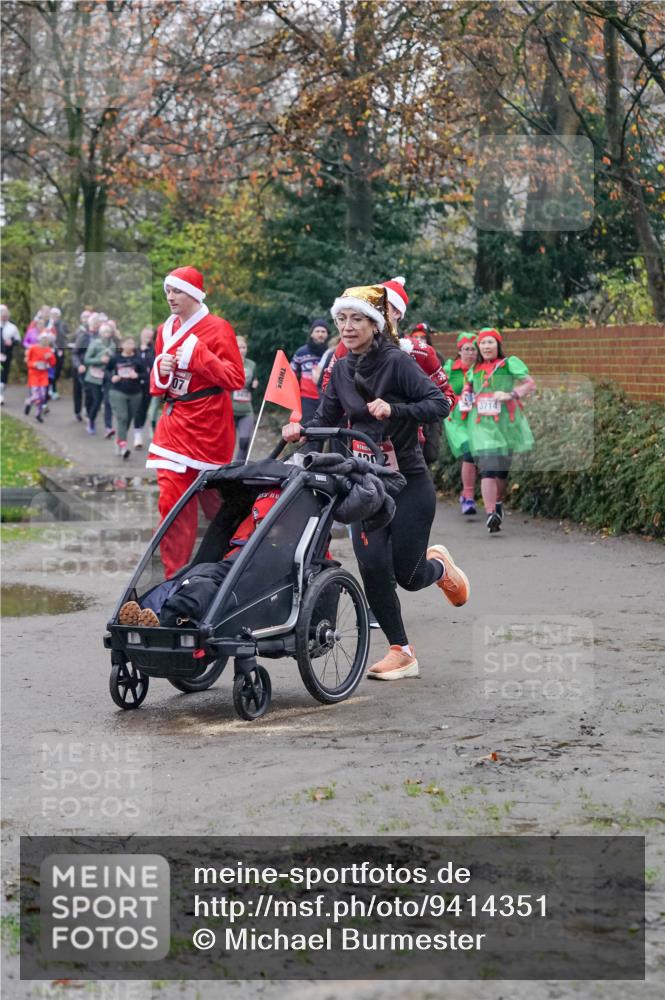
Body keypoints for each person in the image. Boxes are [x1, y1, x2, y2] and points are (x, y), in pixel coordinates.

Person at [282, 283, 470, 682]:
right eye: (342, 319)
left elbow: (439, 404)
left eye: (357, 319)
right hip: (365, 484)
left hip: (407, 481)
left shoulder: (398, 362)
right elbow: (325, 418)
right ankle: (402, 651)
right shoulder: (341, 367)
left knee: (408, 576)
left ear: (375, 324)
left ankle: (439, 568)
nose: (347, 327)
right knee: (372, 567)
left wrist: (395, 409)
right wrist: (301, 432)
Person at [147, 265, 245, 578]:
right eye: (168, 291)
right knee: (172, 504)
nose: (170, 297)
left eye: (176, 291)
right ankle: (173, 577)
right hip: (173, 424)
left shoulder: (218, 328)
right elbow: (158, 387)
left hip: (209, 428)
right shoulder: (165, 330)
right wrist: (161, 370)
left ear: (193, 295)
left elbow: (235, 378)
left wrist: (199, 356)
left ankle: (236, 563)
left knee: (216, 504)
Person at [465, 327, 536, 533]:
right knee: (488, 467)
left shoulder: (508, 364)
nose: (486, 346)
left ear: (498, 345)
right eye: (483, 342)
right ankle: (490, 514)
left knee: (501, 472)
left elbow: (530, 384)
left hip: (506, 423)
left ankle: (497, 504)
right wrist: (467, 397)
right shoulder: (475, 368)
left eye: (490, 342)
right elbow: (468, 388)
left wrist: (510, 394)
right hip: (482, 425)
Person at [443, 332, 480, 515]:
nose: (470, 353)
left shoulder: (482, 369)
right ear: (459, 351)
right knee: (469, 452)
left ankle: (468, 494)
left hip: (478, 417)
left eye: (473, 349)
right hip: (456, 419)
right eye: (466, 349)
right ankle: (469, 496)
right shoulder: (450, 369)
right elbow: (440, 389)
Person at [107, 337, 146, 459]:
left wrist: (137, 375)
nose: (130, 345)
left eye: (132, 343)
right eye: (128, 343)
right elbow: (107, 370)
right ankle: (123, 446)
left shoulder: (138, 359)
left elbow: (146, 374)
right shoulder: (115, 358)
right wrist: (112, 377)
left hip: (135, 393)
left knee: (127, 420)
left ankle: (119, 440)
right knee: (122, 417)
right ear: (122, 345)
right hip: (117, 391)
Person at [290, 319, 330, 423]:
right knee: (307, 429)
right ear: (311, 334)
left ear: (327, 334)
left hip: (328, 399)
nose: (320, 334)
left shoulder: (332, 352)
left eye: (323, 331)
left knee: (329, 429)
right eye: (317, 331)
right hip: (307, 398)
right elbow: (291, 374)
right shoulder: (301, 352)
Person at [83, 321, 114, 434]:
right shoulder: (95, 344)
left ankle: (108, 427)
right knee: (97, 401)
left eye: (109, 332)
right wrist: (99, 360)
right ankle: (91, 421)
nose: (107, 334)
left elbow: (114, 361)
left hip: (107, 376)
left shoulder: (113, 345)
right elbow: (87, 359)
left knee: (108, 401)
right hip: (94, 377)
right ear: (101, 333)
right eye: (105, 332)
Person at [232, 335, 259, 461]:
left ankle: (238, 469)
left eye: (244, 347)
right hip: (229, 410)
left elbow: (253, 381)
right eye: (238, 347)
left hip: (246, 410)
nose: (241, 350)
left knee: (244, 443)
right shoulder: (227, 362)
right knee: (226, 443)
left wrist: (254, 385)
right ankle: (223, 468)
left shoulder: (251, 364)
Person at [24, 332, 56, 422]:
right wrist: (34, 364)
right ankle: (29, 402)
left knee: (42, 396)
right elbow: (28, 362)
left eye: (47, 340)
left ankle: (38, 414)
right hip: (34, 374)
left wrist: (50, 357)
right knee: (36, 395)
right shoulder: (33, 348)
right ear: (40, 339)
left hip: (43, 375)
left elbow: (53, 363)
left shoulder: (49, 350)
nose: (46, 341)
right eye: (44, 339)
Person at [133, 326, 155, 449]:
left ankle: (140, 429)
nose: (147, 338)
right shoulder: (134, 349)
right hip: (135, 385)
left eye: (150, 336)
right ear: (141, 335)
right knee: (137, 409)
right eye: (146, 335)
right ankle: (137, 435)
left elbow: (153, 369)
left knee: (144, 409)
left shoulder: (153, 351)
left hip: (148, 385)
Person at [72, 311, 94, 422]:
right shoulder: (81, 333)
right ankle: (77, 411)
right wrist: (78, 365)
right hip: (80, 366)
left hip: (91, 367)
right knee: (78, 390)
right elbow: (75, 352)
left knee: (90, 390)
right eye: (85, 317)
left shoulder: (98, 335)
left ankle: (88, 411)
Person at [0, 304, 22, 405]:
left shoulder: (12, 327)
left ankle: (1, 395)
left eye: (5, 314)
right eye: (2, 314)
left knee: (4, 374)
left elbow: (18, 340)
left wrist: (12, 342)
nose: (4, 316)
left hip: (6, 355)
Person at [46, 307, 68, 399]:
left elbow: (64, 336)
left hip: (59, 350)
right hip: (48, 351)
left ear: (59, 316)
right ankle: (50, 389)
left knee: (57, 370)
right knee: (49, 370)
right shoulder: (47, 324)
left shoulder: (62, 324)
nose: (54, 316)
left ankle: (52, 388)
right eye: (52, 314)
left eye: (56, 314)